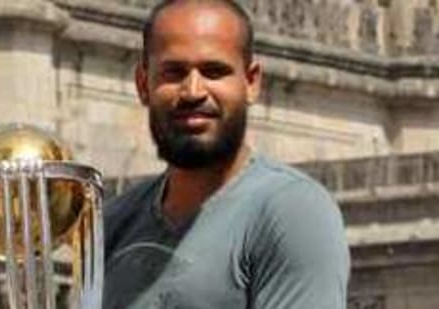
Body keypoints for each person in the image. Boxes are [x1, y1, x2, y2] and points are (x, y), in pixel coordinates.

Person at [103, 0, 350, 308]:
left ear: (251, 82)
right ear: (143, 84)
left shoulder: (291, 213)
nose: (193, 91)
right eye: (174, 72)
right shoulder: (113, 224)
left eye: (214, 71)